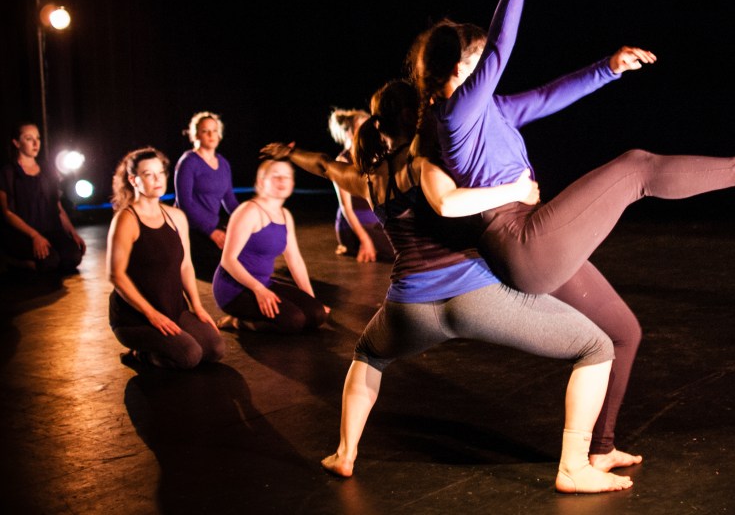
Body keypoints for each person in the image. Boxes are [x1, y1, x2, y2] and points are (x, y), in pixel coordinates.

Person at [409, 0, 735, 462]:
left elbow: (549, 96)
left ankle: (600, 449)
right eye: (479, 62)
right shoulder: (455, 115)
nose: (490, 72)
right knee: (636, 168)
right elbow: (502, 48)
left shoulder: (491, 112)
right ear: (459, 69)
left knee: (623, 332)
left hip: (534, 243)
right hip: (521, 241)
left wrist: (608, 68)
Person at [262, 79, 633, 493]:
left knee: (368, 354)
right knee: (596, 347)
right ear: (412, 116)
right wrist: (516, 190)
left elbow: (323, 165)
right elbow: (448, 203)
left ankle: (345, 454)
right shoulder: (424, 164)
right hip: (474, 298)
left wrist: (289, 154)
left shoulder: (368, 180)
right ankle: (574, 467)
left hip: (407, 308)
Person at [107, 147, 225, 369]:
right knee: (190, 355)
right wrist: (151, 314)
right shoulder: (126, 219)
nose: (158, 179)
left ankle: (163, 345)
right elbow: (116, 275)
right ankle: (140, 354)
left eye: (160, 173)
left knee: (214, 349)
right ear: (133, 180)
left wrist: (197, 306)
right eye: (148, 174)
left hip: (173, 309)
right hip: (136, 318)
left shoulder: (176, 216)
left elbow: (186, 266)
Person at [211, 157, 329, 334]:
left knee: (317, 315)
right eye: (275, 176)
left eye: (286, 176)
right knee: (295, 320)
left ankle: (258, 315)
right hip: (234, 289)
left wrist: (310, 299)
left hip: (264, 283)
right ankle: (239, 322)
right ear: (261, 182)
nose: (282, 180)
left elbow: (295, 260)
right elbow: (228, 260)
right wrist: (258, 289)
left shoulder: (285, 215)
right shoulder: (249, 211)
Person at [0, 121, 85, 273]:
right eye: (29, 138)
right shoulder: (9, 172)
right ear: (17, 143)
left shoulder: (47, 169)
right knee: (49, 261)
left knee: (73, 257)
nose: (35, 143)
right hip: (24, 233)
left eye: (38, 138)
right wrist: (34, 236)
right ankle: (16, 262)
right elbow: (7, 212)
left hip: (50, 230)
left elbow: (57, 207)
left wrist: (72, 232)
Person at [173, 111, 240, 278]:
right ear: (196, 135)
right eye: (205, 131)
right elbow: (185, 203)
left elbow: (230, 201)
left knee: (244, 257)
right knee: (226, 270)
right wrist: (211, 231)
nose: (211, 135)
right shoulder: (188, 162)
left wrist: (248, 218)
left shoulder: (223, 163)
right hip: (190, 229)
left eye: (214, 130)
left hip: (212, 225)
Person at [327, 107, 394, 262]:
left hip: (374, 222)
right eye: (362, 127)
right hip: (353, 226)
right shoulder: (342, 161)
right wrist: (366, 240)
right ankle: (353, 244)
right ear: (350, 133)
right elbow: (346, 208)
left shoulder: (373, 157)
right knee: (396, 251)